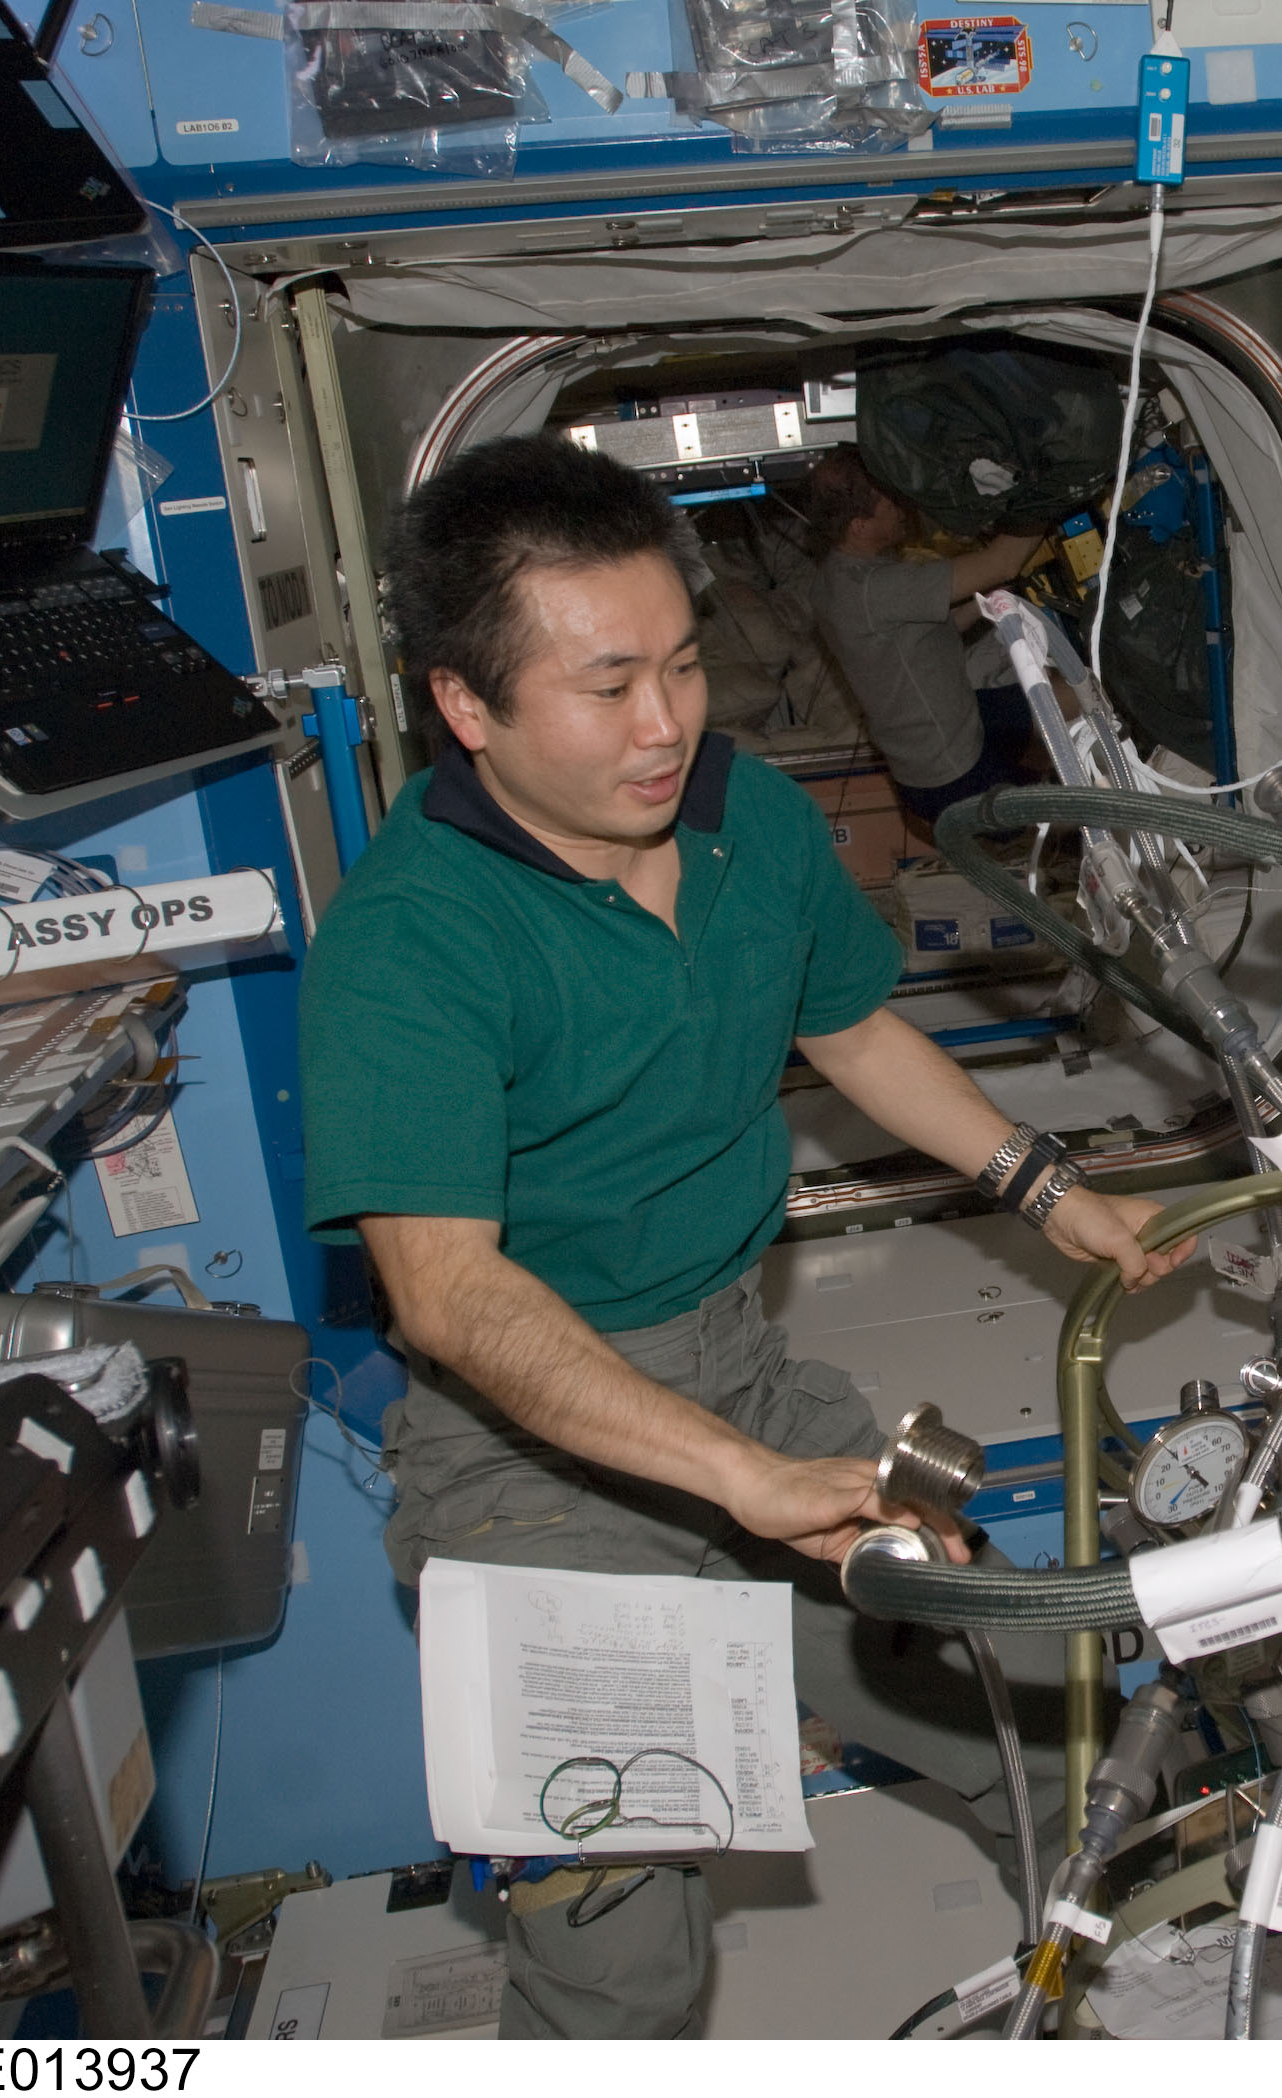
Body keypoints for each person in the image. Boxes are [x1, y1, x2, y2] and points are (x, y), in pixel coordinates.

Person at [299, 432, 1197, 2037]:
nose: (666, 723)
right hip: (524, 1444)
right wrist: (741, 1485)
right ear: (465, 703)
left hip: (736, 1362)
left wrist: (1056, 1190)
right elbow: (447, 1296)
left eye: (685, 664)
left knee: (1038, 1723)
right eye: (608, 684)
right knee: (617, 1941)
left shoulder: (751, 819)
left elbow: (854, 1032)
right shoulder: (407, 944)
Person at [803, 448, 1046, 822]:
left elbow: (933, 630)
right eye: (890, 503)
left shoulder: (834, 577)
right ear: (860, 526)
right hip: (954, 773)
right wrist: (1054, 492)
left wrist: (994, 594)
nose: (903, 509)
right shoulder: (874, 586)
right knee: (1066, 817)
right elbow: (1002, 561)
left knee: (1068, 698)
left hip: (942, 740)